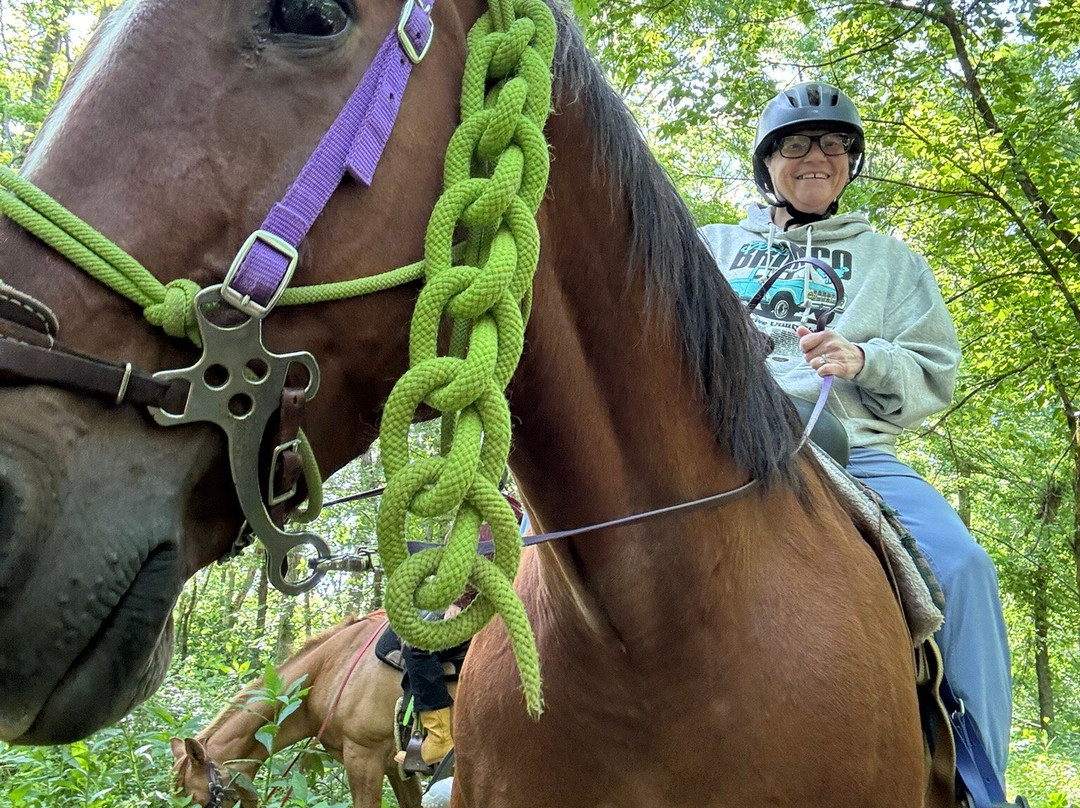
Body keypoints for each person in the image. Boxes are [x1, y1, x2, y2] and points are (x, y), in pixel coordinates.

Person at [698, 82, 1013, 792]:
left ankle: (980, 781)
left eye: (835, 144)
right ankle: (465, 737)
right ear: (767, 162)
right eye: (798, 143)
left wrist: (866, 359)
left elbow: (936, 374)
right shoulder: (708, 245)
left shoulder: (894, 263)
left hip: (849, 446)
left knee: (964, 569)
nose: (818, 157)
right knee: (555, 523)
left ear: (851, 164)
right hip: (715, 438)